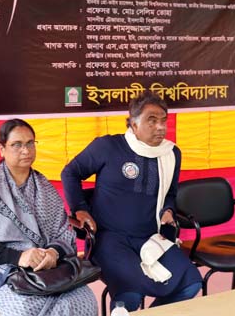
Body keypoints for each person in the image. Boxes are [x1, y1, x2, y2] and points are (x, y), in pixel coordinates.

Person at [61, 91, 201, 312]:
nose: (160, 127)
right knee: (130, 294)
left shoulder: (171, 153)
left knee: (191, 282)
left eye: (163, 120)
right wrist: (80, 209)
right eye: (151, 121)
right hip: (108, 240)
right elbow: (70, 172)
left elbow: (171, 193)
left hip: (150, 238)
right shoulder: (108, 147)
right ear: (133, 125)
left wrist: (168, 210)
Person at [0, 119, 98, 316]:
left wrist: (53, 252)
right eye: (16, 144)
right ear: (1, 149)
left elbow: (63, 232)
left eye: (30, 143)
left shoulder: (45, 187)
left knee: (83, 300)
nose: (26, 150)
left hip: (48, 267)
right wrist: (20, 257)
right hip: (5, 268)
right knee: (22, 309)